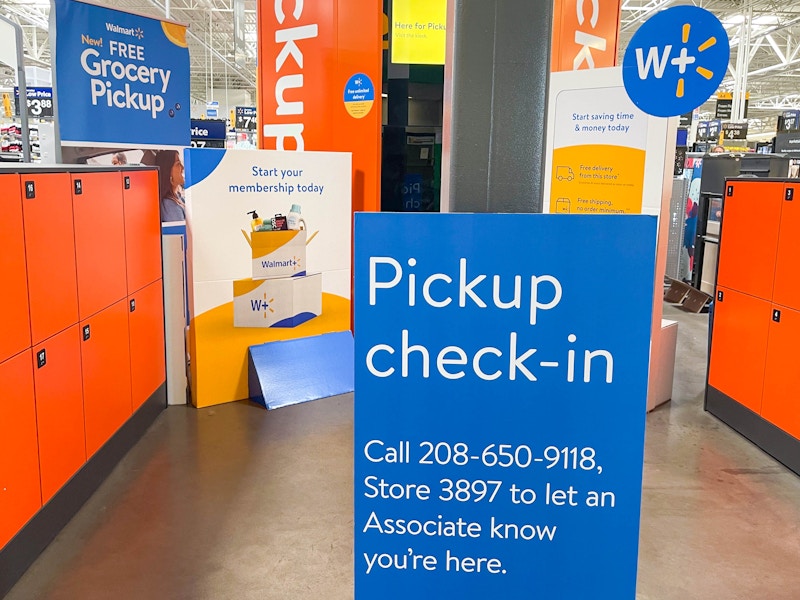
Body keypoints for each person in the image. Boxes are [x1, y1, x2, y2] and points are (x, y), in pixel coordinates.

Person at [155, 150, 185, 222]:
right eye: (178, 164)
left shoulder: (178, 196)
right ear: (168, 171)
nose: (182, 167)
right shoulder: (169, 205)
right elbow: (179, 231)